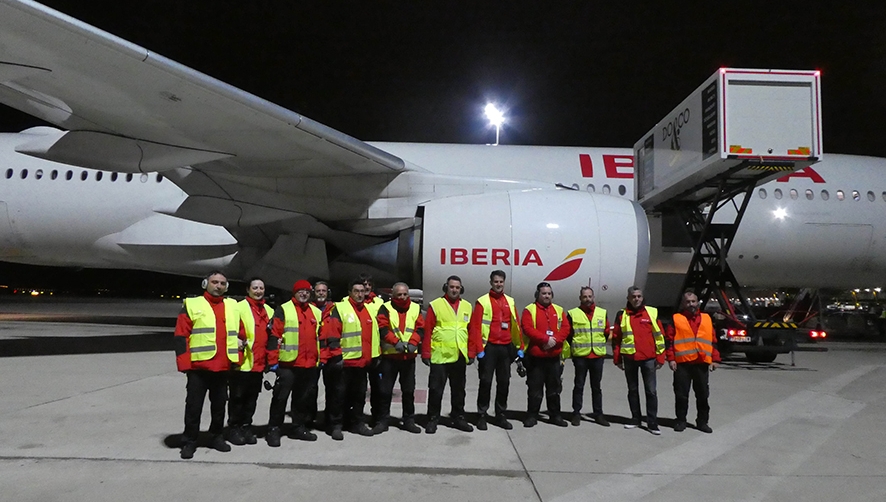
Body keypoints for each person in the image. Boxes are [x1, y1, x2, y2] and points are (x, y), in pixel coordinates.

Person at [174, 271, 244, 459]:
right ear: (206, 284)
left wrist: (237, 357)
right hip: (198, 368)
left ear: (226, 287)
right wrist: (184, 364)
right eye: (214, 282)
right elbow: (181, 336)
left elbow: (240, 334)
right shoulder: (192, 304)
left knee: (219, 406)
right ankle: (189, 441)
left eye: (222, 283)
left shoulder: (232, 306)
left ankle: (216, 437)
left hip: (222, 368)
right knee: (193, 407)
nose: (218, 286)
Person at [265, 280, 323, 446]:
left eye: (306, 291)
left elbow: (321, 337)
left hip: (309, 364)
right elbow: (274, 336)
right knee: (280, 398)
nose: (304, 294)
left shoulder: (315, 312)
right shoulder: (283, 309)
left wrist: (320, 359)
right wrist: (273, 361)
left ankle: (298, 427)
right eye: (300, 291)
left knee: (302, 399)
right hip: (287, 364)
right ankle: (274, 429)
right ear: (294, 293)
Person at [322, 278, 380, 438]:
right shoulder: (340, 308)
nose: (360, 294)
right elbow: (332, 334)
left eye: (362, 291)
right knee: (338, 397)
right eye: (356, 291)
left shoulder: (367, 310)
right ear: (349, 293)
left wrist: (374, 357)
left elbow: (372, 336)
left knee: (359, 396)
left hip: (362, 363)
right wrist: (337, 357)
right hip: (344, 363)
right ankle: (335, 426)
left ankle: (356, 423)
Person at [468, 270, 521, 430]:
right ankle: (482, 415)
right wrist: (479, 350)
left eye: (501, 282)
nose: (498, 284)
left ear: (504, 283)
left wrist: (520, 347)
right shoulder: (482, 302)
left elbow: (516, 325)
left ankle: (500, 414)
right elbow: (475, 327)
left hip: (505, 348)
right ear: (491, 282)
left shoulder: (510, 301)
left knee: (504, 382)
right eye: (496, 281)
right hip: (489, 348)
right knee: (486, 382)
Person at [422, 275, 474, 433]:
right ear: (446, 287)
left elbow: (472, 331)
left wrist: (471, 352)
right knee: (436, 390)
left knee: (459, 390)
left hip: (459, 355)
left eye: (457, 287)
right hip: (440, 356)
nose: (454, 290)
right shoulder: (436, 305)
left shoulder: (467, 306)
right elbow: (428, 330)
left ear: (461, 289)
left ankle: (458, 417)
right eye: (452, 287)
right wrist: (426, 352)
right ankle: (432, 419)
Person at [612, 286, 665, 435]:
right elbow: (617, 338)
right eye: (633, 296)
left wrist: (661, 357)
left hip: (649, 359)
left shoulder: (652, 313)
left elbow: (660, 336)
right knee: (633, 390)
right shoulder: (622, 315)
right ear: (628, 298)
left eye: (639, 296)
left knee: (651, 391)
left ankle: (652, 422)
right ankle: (635, 418)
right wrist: (617, 359)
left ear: (642, 298)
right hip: (630, 359)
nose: (636, 299)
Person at [666, 290, 720, 433]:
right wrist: (671, 359)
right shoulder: (676, 318)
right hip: (682, 363)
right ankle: (681, 421)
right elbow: (669, 341)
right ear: (683, 304)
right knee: (681, 395)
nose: (691, 304)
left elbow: (713, 341)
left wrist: (715, 359)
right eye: (687, 302)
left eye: (693, 301)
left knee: (702, 395)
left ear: (697, 302)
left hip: (701, 363)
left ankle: (702, 422)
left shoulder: (707, 318)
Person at [228, 277, 273, 446]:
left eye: (261, 288)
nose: (259, 291)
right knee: (237, 398)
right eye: (255, 287)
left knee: (252, 399)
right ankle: (234, 427)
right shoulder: (238, 308)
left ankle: (246, 426)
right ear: (248, 290)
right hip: (242, 363)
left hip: (259, 363)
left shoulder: (268, 310)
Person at [374, 282, 424, 434]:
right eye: (399, 295)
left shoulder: (416, 308)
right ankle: (383, 421)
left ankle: (409, 420)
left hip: (408, 357)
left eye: (405, 294)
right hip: (390, 357)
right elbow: (382, 328)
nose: (402, 297)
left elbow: (420, 328)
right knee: (385, 391)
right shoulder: (385, 308)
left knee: (408, 391)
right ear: (393, 296)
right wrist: (395, 342)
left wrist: (414, 342)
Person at [520, 282, 571, 427]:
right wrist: (545, 339)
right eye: (544, 293)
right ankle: (531, 416)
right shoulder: (529, 310)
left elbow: (566, 328)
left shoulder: (558, 310)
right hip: (536, 358)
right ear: (538, 295)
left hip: (554, 358)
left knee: (554, 389)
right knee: (535, 390)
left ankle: (555, 416)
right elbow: (527, 328)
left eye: (549, 293)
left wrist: (555, 341)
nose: (547, 296)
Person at [566, 287, 611, 427]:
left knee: (596, 387)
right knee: (579, 386)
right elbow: (568, 335)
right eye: (584, 296)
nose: (587, 299)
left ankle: (598, 414)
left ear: (593, 297)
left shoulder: (602, 313)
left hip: (597, 355)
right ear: (580, 298)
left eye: (589, 296)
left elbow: (606, 331)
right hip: (581, 356)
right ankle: (576, 413)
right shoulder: (573, 314)